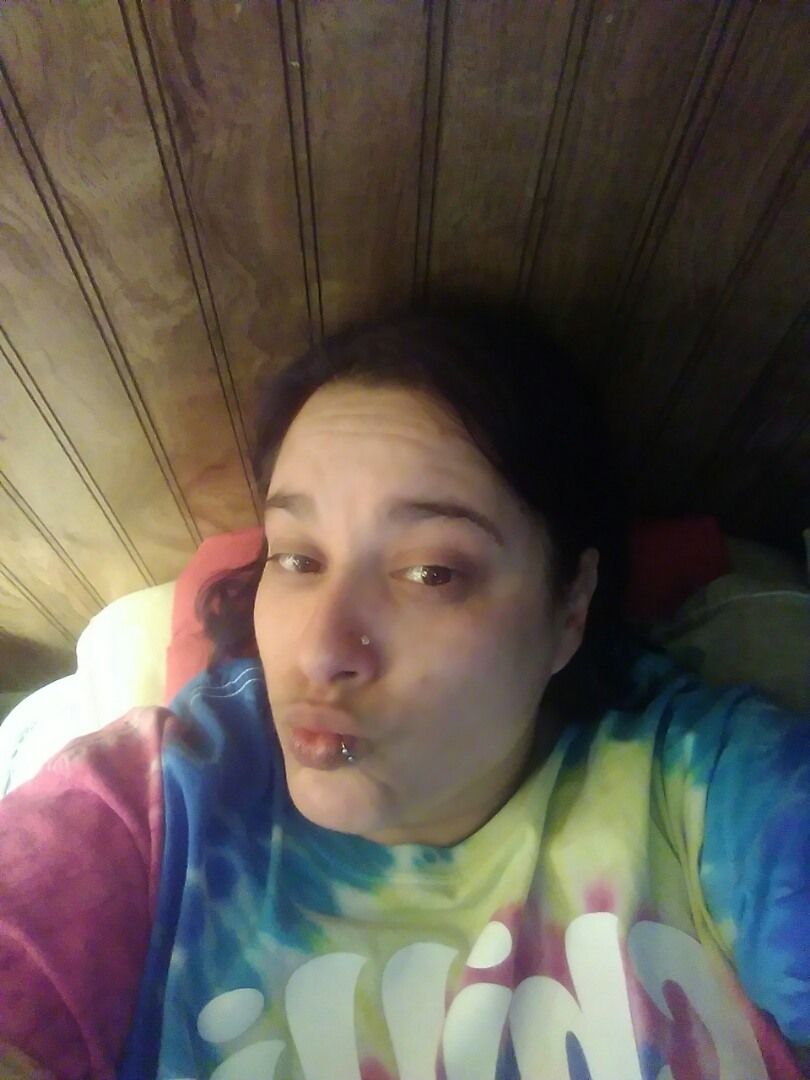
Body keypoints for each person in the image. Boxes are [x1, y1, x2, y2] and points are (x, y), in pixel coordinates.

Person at [0, 304, 808, 1079]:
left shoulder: (712, 793)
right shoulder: (151, 801)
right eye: (297, 558)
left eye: (432, 573)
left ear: (570, 606)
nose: (322, 650)